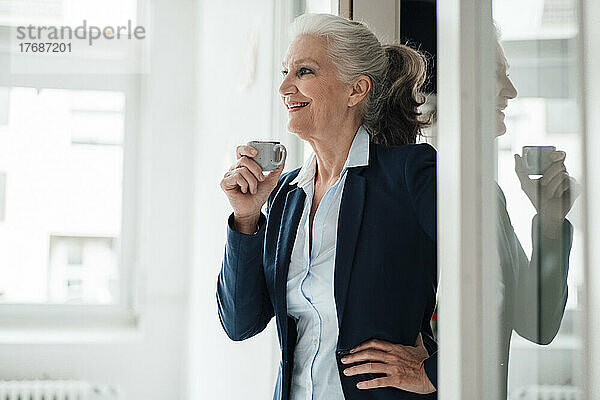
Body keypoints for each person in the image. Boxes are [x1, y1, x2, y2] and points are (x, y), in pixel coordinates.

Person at [217, 13, 437, 400]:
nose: (285, 86)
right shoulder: (286, 194)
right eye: (285, 71)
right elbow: (240, 322)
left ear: (356, 90)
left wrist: (435, 370)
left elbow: (488, 282)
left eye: (304, 71)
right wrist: (247, 217)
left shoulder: (410, 173)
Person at [495, 37, 580, 399]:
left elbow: (536, 325)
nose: (511, 91)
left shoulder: (485, 196)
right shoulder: (419, 184)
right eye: (497, 75)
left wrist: (548, 224)